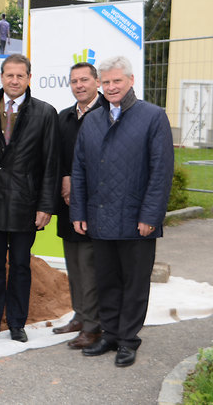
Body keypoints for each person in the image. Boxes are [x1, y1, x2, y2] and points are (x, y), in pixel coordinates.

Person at [71, 55, 174, 367]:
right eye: (106, 82)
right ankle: (111, 334)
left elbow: (161, 172)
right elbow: (79, 169)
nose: (111, 87)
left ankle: (129, 340)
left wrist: (150, 216)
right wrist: (79, 211)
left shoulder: (153, 117)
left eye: (117, 81)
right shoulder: (92, 119)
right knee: (107, 281)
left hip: (135, 220)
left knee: (135, 283)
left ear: (131, 81)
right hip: (100, 218)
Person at [0, 54, 59, 344]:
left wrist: (45, 206)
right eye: (9, 75)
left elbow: (51, 164)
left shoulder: (44, 113)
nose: (14, 81)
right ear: (1, 77)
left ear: (28, 78)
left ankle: (16, 323)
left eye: (20, 76)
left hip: (26, 204)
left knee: (21, 266)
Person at [51, 62, 105, 349]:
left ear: (97, 82)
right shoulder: (65, 117)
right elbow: (59, 156)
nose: (79, 85)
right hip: (67, 203)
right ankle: (79, 315)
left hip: (94, 205)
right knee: (73, 260)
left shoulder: (107, 114)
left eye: (85, 80)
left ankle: (93, 325)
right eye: (74, 81)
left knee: (90, 263)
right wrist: (64, 178)